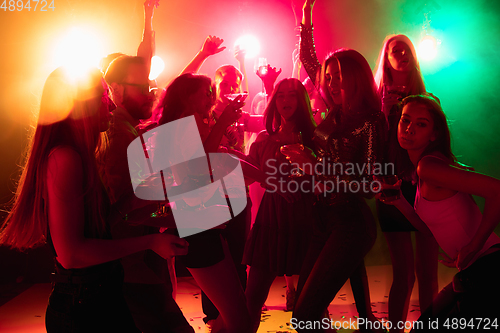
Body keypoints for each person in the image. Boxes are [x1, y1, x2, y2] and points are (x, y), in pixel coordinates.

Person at [0, 66, 188, 332]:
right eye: (103, 97)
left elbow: (96, 230)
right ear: (81, 106)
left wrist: (130, 202)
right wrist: (150, 241)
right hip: (82, 306)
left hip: (97, 295)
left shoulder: (80, 155)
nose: (111, 107)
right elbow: (72, 255)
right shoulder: (65, 158)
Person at [282, 1, 386, 331]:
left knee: (305, 315)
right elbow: (310, 59)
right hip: (321, 219)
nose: (329, 83)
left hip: (350, 223)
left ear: (356, 76)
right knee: (305, 312)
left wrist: (316, 169)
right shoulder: (335, 114)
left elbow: (371, 186)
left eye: (338, 76)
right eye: (328, 78)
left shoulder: (371, 120)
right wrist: (307, 13)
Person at [378, 94, 500, 331]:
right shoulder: (423, 169)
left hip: (488, 270)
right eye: (405, 120)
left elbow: (497, 191)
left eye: (421, 124)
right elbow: (429, 231)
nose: (410, 129)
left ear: (434, 134)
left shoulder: (429, 167)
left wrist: (473, 246)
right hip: (475, 271)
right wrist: (400, 202)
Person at [103, 55, 194, 333]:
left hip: (139, 262)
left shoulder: (130, 130)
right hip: (130, 268)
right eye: (140, 86)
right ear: (116, 90)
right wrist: (176, 212)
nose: (148, 93)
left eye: (149, 85)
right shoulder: (119, 135)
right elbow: (121, 212)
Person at [155, 73, 252, 333]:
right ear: (187, 96)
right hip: (197, 224)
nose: (211, 96)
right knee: (238, 316)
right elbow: (202, 163)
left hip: (205, 222)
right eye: (206, 92)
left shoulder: (190, 121)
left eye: (212, 91)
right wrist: (222, 124)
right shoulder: (182, 124)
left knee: (231, 312)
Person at [373, 35, 438, 332]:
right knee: (404, 272)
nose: (401, 53)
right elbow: (376, 154)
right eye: (394, 50)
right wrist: (386, 115)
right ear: (385, 60)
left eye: (406, 49)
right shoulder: (376, 104)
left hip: (425, 187)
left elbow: (437, 148)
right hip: (391, 186)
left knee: (428, 271)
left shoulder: (429, 101)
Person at [243, 78, 316, 332]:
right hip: (271, 220)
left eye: (292, 95)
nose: (286, 101)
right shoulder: (265, 139)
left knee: (313, 303)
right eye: (281, 95)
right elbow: (247, 174)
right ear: (274, 101)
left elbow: (327, 179)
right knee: (252, 299)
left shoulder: (316, 138)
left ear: (303, 100)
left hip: (306, 219)